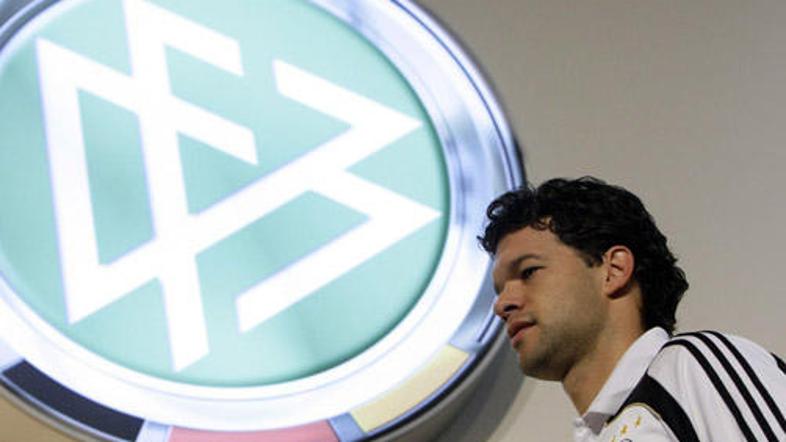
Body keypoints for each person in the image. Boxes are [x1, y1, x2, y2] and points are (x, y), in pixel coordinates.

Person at [480, 176, 786, 442]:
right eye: (499, 290)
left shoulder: (687, 367)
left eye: (529, 272)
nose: (502, 304)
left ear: (614, 270)